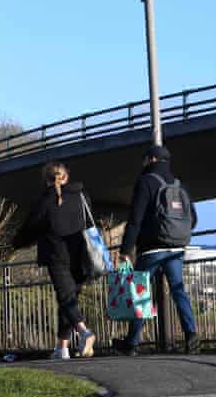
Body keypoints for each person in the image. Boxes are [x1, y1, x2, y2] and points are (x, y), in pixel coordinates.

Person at [112, 144, 201, 356]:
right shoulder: (179, 185)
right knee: (179, 290)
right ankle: (191, 335)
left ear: (151, 160)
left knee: (141, 293)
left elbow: (135, 219)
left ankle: (131, 343)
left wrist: (125, 250)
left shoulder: (146, 182)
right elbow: (193, 219)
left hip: (151, 249)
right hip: (176, 248)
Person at [15, 162, 97, 360]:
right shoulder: (81, 195)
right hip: (81, 254)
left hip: (56, 254)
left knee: (65, 298)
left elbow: (30, 228)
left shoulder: (45, 200)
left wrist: (16, 242)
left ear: (46, 180)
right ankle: (62, 348)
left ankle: (84, 331)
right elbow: (88, 220)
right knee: (69, 300)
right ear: (66, 176)